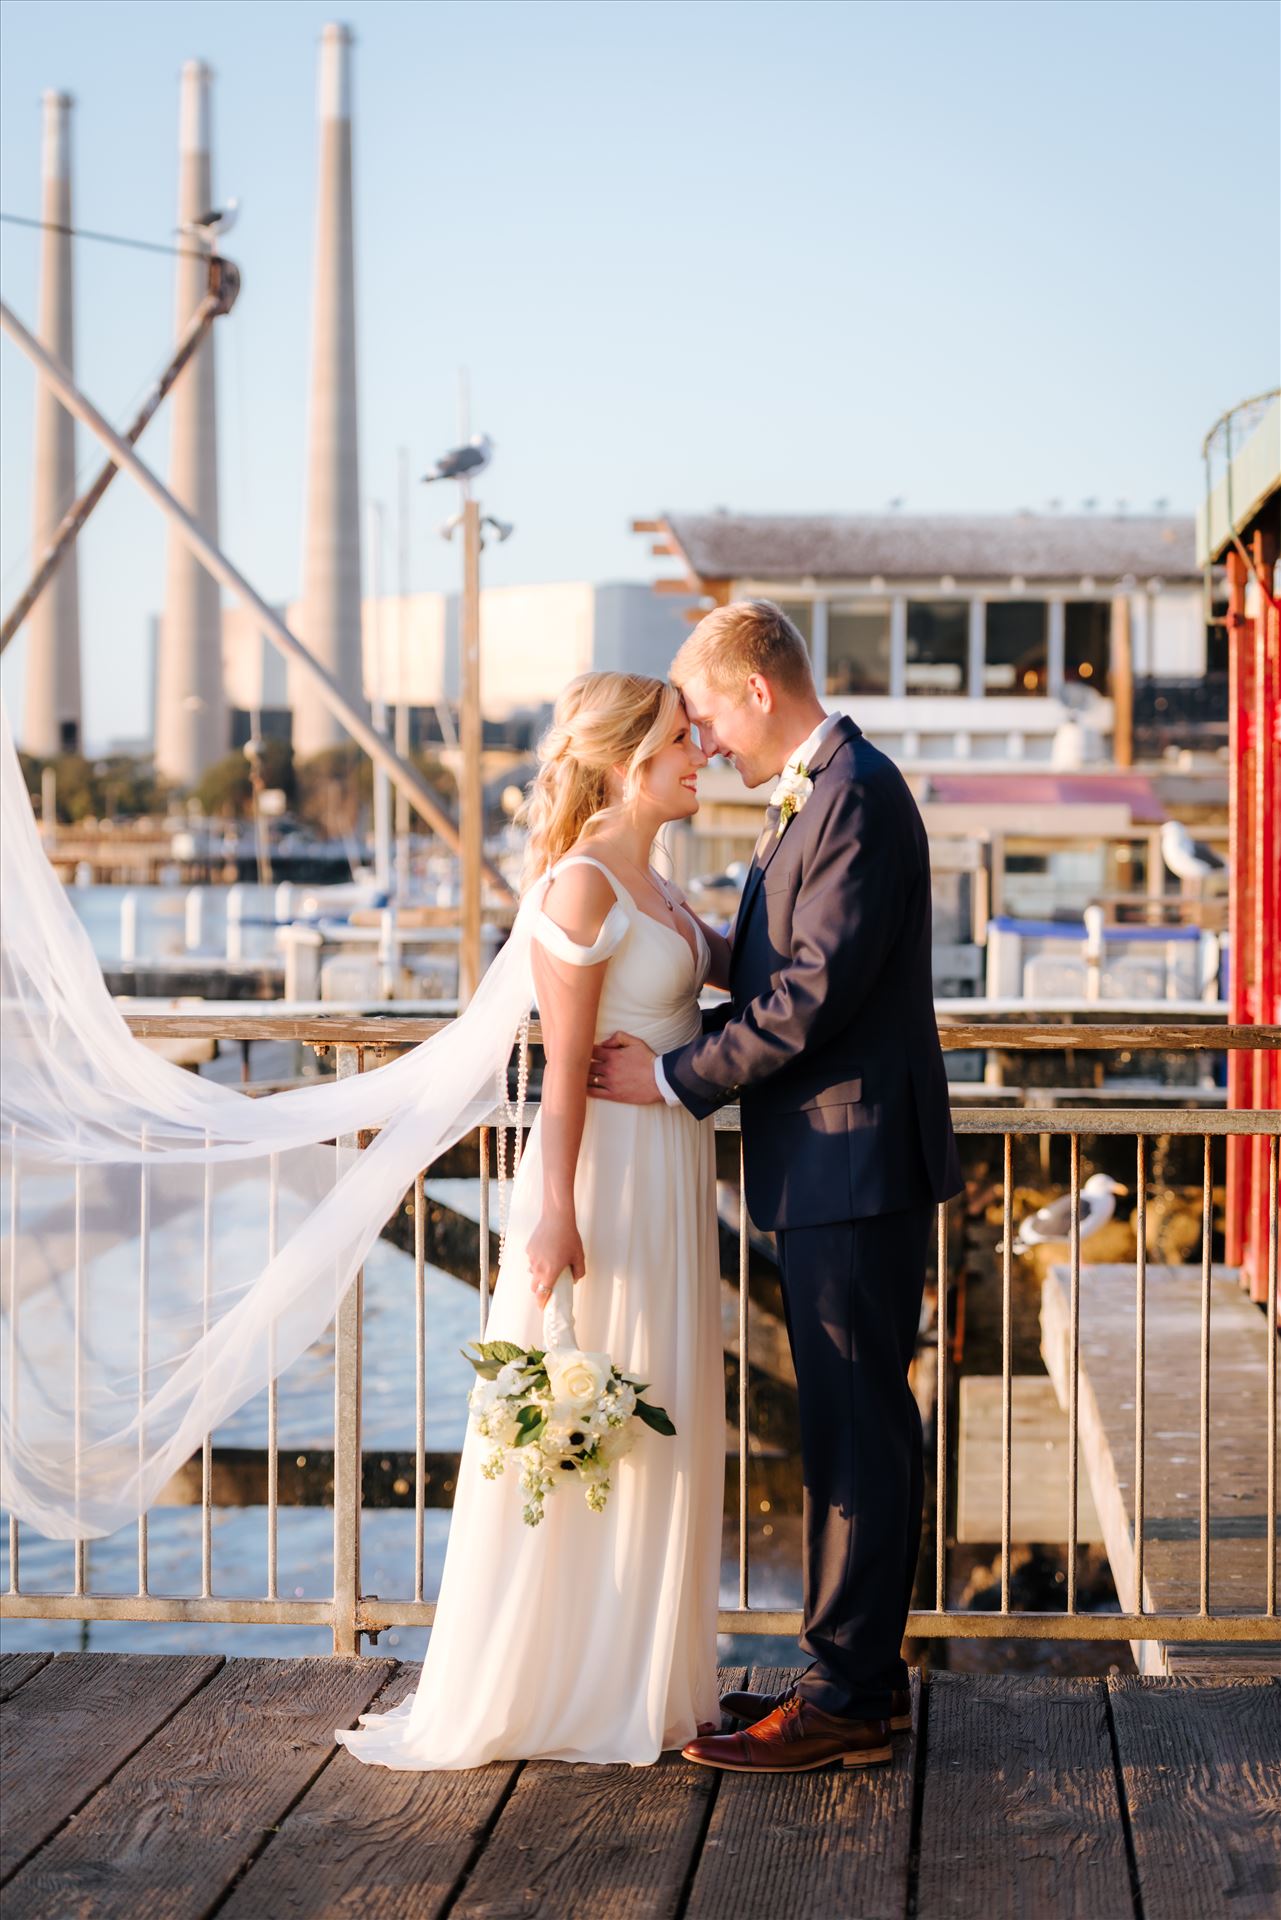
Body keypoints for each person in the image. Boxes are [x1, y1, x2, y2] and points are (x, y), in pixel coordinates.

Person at [590, 599, 962, 1775]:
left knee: (858, 1425)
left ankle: (849, 1696)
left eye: (702, 713)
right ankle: (854, 1677)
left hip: (851, 1162)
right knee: (849, 1422)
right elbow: (783, 968)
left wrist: (671, 1074)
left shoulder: (852, 792)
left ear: (757, 690)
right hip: (832, 1160)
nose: (702, 740)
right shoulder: (823, 790)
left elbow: (811, 996)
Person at [337, 671, 729, 1768]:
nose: (700, 754)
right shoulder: (582, 888)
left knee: (665, 1416)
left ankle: (644, 1683)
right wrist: (550, 1213)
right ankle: (562, 1686)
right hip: (604, 1180)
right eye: (679, 741)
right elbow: (557, 1080)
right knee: (594, 1418)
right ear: (624, 763)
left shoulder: (659, 880)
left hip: (671, 1166)